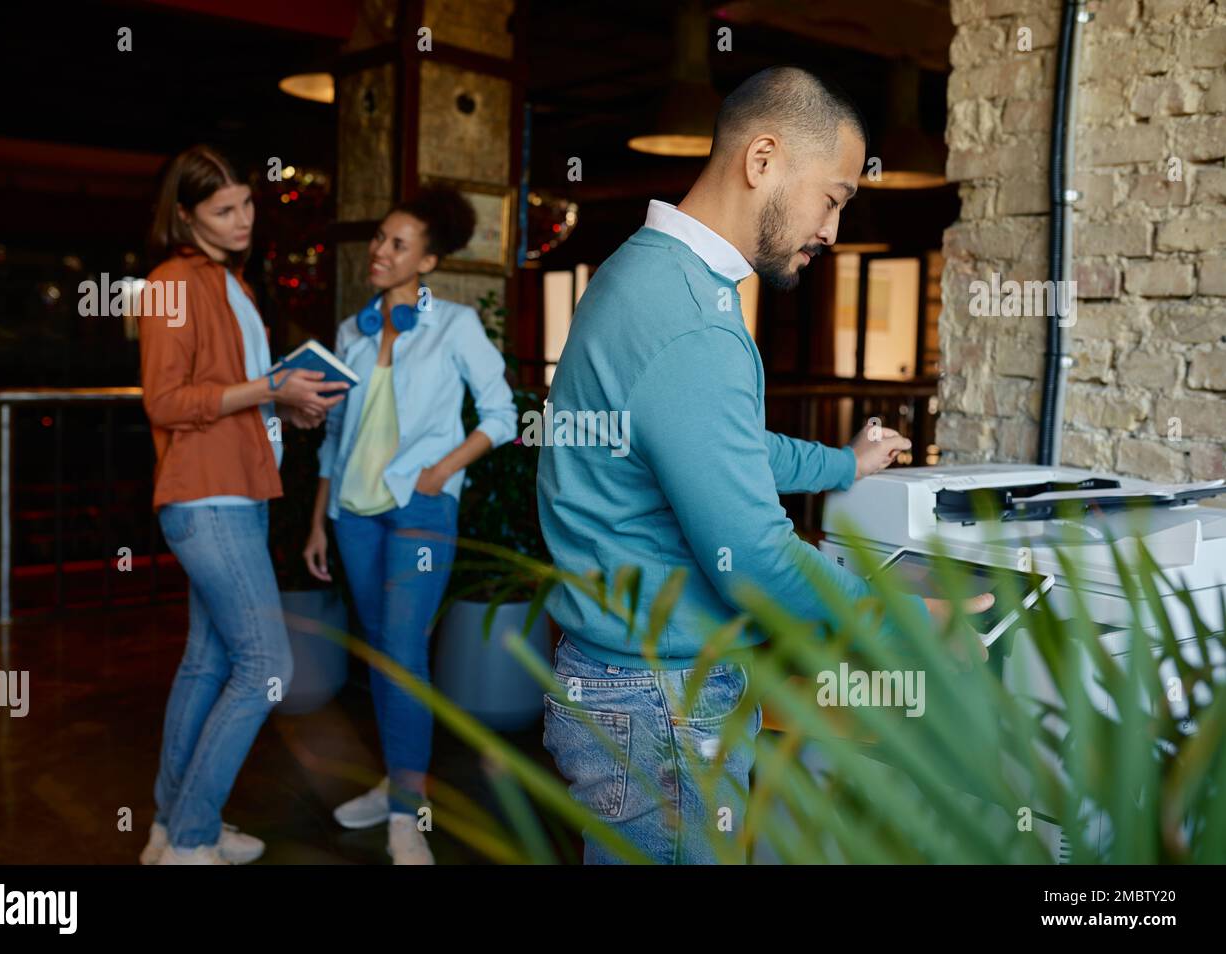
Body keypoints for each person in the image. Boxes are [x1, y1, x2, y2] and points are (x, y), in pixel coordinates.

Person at [536, 66, 991, 864]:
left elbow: (715, 452)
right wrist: (916, 622)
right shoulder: (693, 324)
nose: (833, 230)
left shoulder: (643, 274)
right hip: (658, 699)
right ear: (764, 160)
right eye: (835, 197)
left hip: (620, 679)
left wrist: (840, 466)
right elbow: (752, 555)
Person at [138, 145, 349, 865]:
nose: (242, 221)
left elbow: (236, 397)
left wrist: (290, 408)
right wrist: (268, 390)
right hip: (207, 497)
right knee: (267, 667)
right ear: (185, 214)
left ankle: (173, 826)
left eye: (247, 205)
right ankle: (191, 836)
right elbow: (165, 402)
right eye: (223, 210)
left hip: (241, 492)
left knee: (207, 663)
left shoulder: (237, 287)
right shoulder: (170, 283)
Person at [305, 187, 518, 865]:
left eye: (399, 244)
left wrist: (443, 469)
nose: (381, 251)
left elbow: (503, 414)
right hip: (354, 515)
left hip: (423, 507)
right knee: (381, 658)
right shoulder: (349, 332)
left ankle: (407, 814)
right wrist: (318, 521)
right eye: (379, 239)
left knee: (402, 655)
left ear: (426, 260)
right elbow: (334, 436)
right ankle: (396, 783)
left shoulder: (454, 325)